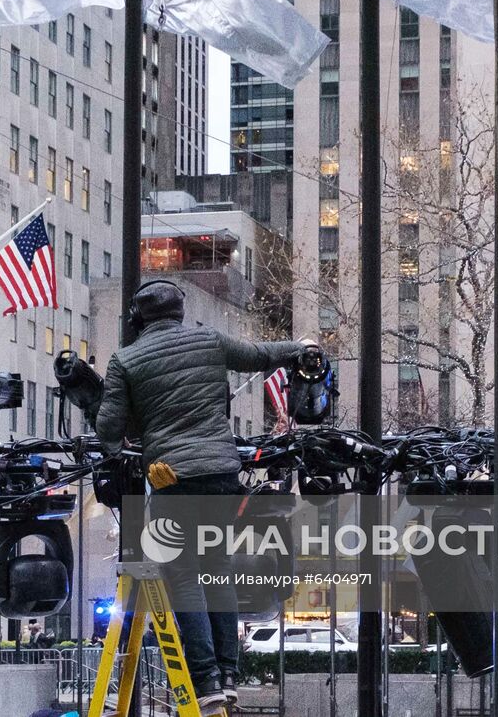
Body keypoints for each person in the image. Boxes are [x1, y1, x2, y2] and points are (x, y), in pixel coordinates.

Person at [95, 279, 307, 712]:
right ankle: (229, 674)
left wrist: (125, 450)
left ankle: (205, 678)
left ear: (137, 318)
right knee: (217, 568)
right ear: (179, 311)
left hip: (172, 479)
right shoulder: (207, 340)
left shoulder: (126, 359)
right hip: (222, 474)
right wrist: (300, 345)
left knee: (185, 577)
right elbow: (261, 356)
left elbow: (108, 430)